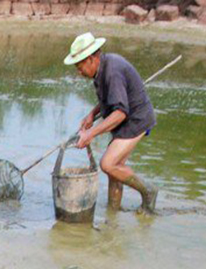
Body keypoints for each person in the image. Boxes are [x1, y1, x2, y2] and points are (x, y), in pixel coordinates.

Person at [65, 33, 158, 213]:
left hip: (136, 120)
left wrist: (91, 134)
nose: (78, 71)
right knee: (115, 171)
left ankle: (149, 191)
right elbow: (111, 98)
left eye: (79, 66)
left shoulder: (112, 71)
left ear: (91, 59)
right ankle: (113, 215)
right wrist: (92, 114)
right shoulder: (102, 69)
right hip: (125, 118)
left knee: (108, 164)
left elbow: (121, 112)